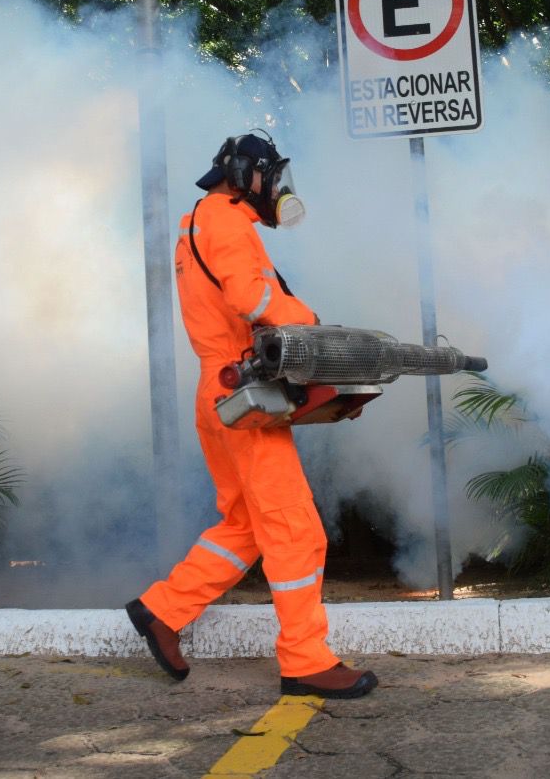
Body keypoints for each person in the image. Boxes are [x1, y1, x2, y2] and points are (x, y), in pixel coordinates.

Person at [126, 132, 377, 699]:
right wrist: (308, 318)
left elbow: (238, 319)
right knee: (297, 531)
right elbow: (252, 301)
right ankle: (305, 660)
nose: (278, 192)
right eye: (272, 177)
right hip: (243, 395)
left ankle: (162, 611)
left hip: (222, 390)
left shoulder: (198, 222)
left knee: (244, 526)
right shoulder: (228, 220)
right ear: (247, 173)